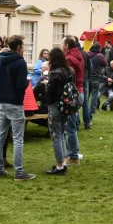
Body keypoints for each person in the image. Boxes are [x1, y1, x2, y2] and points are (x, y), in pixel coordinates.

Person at [0, 35, 36, 181]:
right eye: (22, 47)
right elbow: (20, 84)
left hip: (1, 102)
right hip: (15, 102)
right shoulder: (20, 62)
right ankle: (19, 172)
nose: (23, 49)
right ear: (18, 48)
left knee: (0, 136)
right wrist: (26, 83)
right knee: (17, 138)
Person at [45, 47, 72, 175]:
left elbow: (50, 92)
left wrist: (46, 86)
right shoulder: (69, 71)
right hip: (66, 106)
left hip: (55, 105)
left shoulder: (54, 73)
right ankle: (63, 162)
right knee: (61, 133)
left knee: (56, 135)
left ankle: (60, 164)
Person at [61, 35, 84, 165]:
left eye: (62, 43)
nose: (60, 46)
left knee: (69, 127)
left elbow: (68, 79)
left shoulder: (69, 59)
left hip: (72, 94)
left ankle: (73, 156)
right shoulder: (79, 56)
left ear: (67, 46)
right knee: (72, 125)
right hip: (79, 91)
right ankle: (72, 153)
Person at [74, 36, 92, 130]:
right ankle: (87, 123)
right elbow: (89, 67)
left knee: (75, 102)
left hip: (77, 80)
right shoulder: (85, 53)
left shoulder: (74, 54)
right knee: (85, 102)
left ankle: (76, 124)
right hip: (85, 79)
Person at [88, 42, 107, 115]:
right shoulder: (100, 55)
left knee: (87, 95)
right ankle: (93, 110)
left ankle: (85, 109)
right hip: (96, 77)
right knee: (94, 94)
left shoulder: (87, 54)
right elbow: (105, 64)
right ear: (99, 48)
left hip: (88, 76)